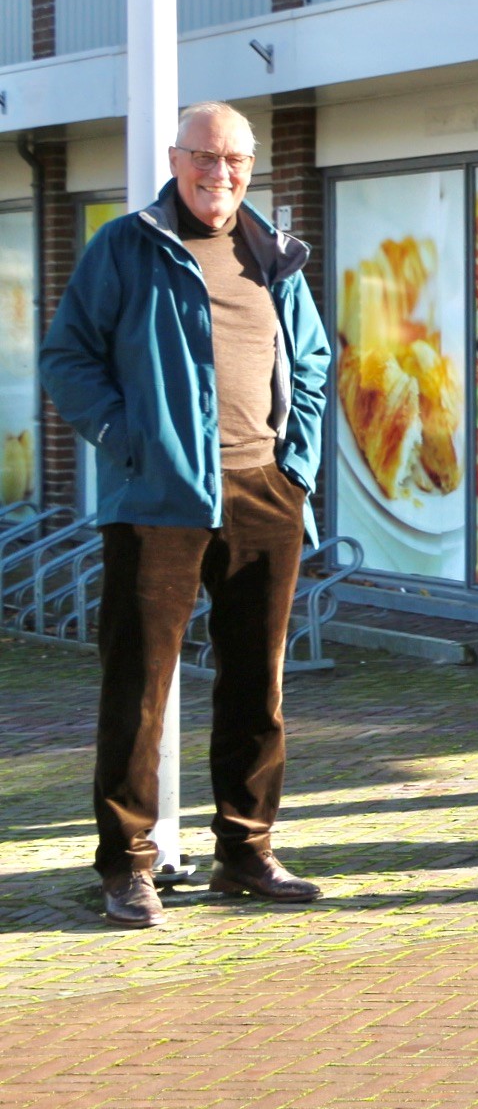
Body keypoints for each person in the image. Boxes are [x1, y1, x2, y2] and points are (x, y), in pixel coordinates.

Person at [40, 102, 332, 929]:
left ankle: (245, 852)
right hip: (158, 499)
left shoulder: (273, 254)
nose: (221, 174)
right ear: (176, 157)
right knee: (137, 688)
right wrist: (126, 439)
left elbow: (310, 357)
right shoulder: (127, 246)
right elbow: (68, 355)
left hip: (262, 492)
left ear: (251, 167)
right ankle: (126, 864)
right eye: (205, 157)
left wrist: (294, 462)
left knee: (256, 684)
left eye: (236, 160)